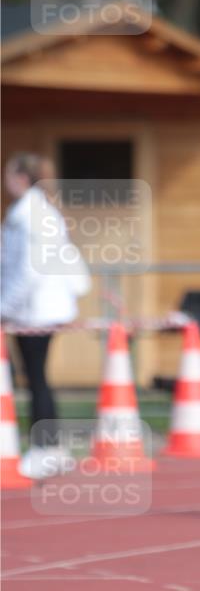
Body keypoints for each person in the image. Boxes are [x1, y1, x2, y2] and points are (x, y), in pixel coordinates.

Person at [1, 152, 91, 479]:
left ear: (21, 179)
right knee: (37, 378)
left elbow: (28, 269)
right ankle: (49, 448)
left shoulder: (29, 215)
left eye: (8, 176)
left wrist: (4, 308)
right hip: (38, 308)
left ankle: (43, 449)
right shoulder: (39, 211)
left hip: (35, 311)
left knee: (35, 378)